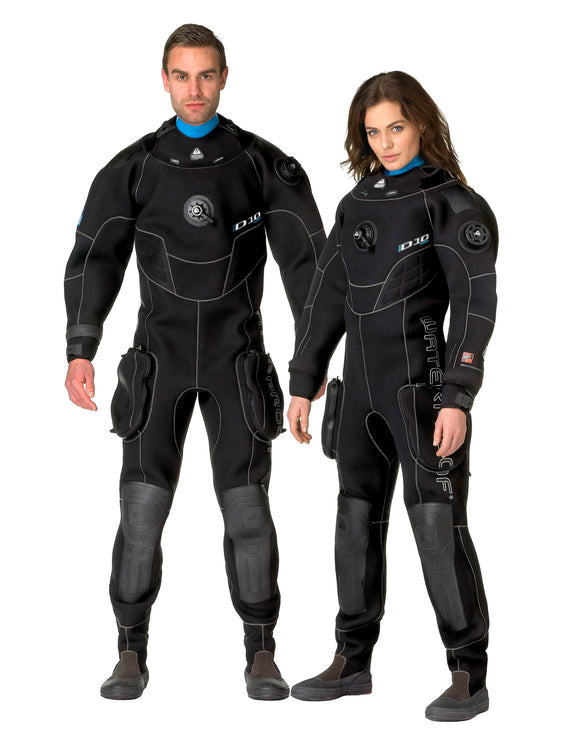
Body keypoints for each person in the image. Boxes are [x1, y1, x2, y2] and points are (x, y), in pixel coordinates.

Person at [64, 23, 325, 701]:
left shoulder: (262, 165)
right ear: (164, 79)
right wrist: (80, 349)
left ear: (225, 77)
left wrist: (312, 360)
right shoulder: (134, 168)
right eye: (181, 75)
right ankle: (129, 652)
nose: (194, 89)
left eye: (206, 74)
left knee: (248, 512)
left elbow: (307, 265)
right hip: (160, 362)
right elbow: (96, 256)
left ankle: (261, 651)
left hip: (239, 364)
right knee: (141, 510)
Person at [286, 71, 497, 721]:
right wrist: (303, 382)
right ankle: (352, 662)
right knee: (354, 522)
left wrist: (458, 395)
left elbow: (476, 304)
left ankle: (468, 673)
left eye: (396, 127)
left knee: (436, 525)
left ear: (422, 123)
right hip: (359, 398)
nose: (385, 142)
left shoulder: (452, 204)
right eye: (373, 131)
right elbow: (325, 297)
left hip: (423, 394)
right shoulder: (356, 205)